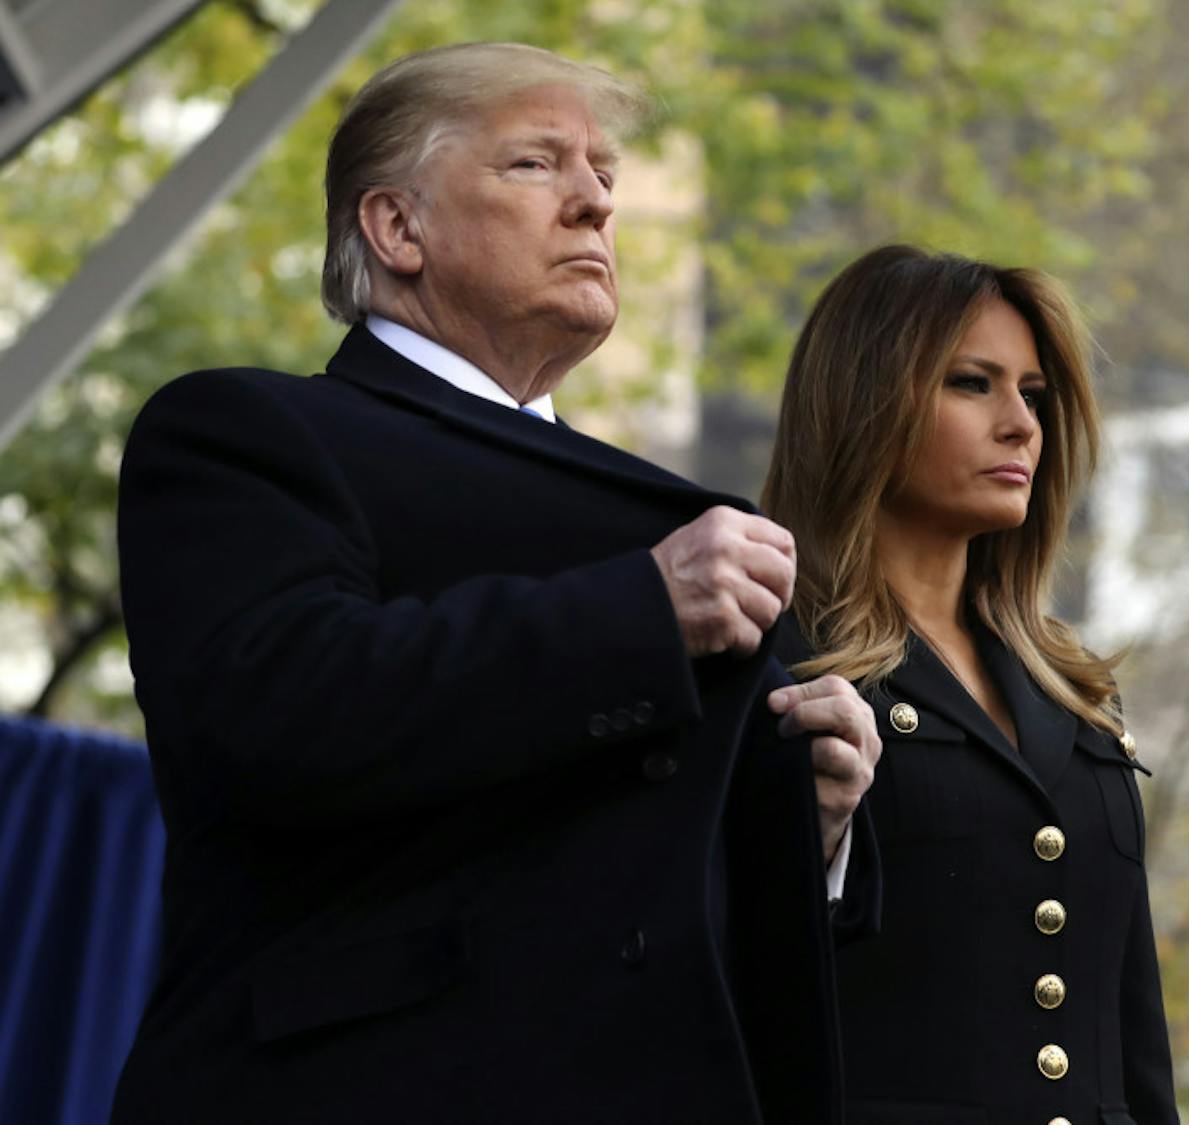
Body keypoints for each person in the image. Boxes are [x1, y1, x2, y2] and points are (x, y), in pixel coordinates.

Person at [110, 44, 879, 1125]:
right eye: (536, 165)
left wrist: (817, 825)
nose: (595, 206)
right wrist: (639, 615)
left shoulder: (697, 530)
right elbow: (272, 709)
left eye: (604, 175)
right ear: (397, 228)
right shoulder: (249, 431)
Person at [762, 245, 1179, 1125]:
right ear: (864, 402)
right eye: (971, 384)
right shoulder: (776, 664)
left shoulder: (1072, 689)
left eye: (1032, 394)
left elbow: (1134, 1032)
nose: (1022, 424)